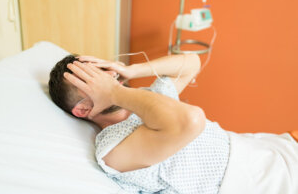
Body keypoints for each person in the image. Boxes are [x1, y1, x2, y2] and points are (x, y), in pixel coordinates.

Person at [48, 54, 297, 194]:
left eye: (103, 70)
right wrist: (114, 93)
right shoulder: (112, 148)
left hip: (265, 149)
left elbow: (191, 64)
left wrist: (133, 70)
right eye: (95, 81)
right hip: (255, 184)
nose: (109, 78)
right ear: (82, 109)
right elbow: (190, 120)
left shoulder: (144, 100)